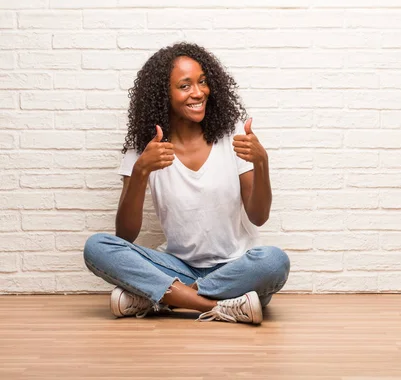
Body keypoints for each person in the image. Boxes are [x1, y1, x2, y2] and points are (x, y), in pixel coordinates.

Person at [83, 42, 290, 325]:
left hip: (234, 267)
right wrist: (141, 171)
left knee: (273, 262)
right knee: (97, 247)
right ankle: (222, 305)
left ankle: (161, 298)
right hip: (176, 267)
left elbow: (258, 216)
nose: (198, 92)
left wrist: (261, 163)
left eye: (202, 82)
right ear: (163, 95)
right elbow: (125, 235)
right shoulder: (145, 148)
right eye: (185, 86)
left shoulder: (233, 135)